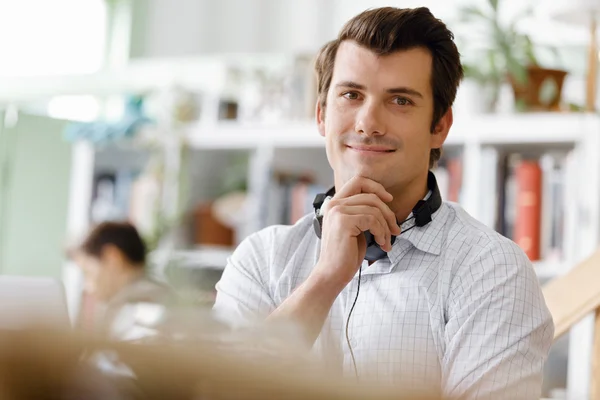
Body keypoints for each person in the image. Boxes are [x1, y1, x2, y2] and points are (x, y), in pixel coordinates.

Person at [213, 6, 554, 400]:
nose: (368, 122)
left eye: (400, 101)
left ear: (439, 126)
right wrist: (325, 279)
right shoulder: (261, 259)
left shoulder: (493, 271)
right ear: (322, 115)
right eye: (351, 95)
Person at [70, 221, 172, 341]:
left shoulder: (140, 306)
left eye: (87, 273)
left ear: (112, 257)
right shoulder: (153, 296)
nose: (88, 286)